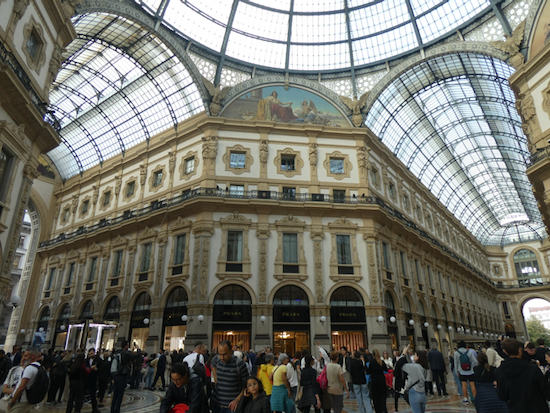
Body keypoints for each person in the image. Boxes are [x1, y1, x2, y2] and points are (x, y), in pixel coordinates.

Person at [496, 338, 550, 413]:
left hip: (516, 409)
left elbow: (502, 396)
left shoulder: (500, 371)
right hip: (537, 408)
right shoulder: (532, 368)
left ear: (505, 352)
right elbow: (546, 390)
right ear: (520, 350)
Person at [211, 340, 249, 413]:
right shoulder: (216, 359)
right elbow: (212, 363)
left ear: (231, 352)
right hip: (216, 405)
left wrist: (237, 400)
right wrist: (215, 376)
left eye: (225, 354)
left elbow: (247, 385)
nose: (222, 357)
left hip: (231, 407)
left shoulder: (239, 364)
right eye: (220, 354)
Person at [6, 347, 42, 413]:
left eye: (26, 356)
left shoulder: (29, 368)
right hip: (29, 399)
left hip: (21, 400)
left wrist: (12, 402)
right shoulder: (39, 367)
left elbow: (21, 387)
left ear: (33, 356)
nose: (23, 358)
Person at [402, 346, 428, 413]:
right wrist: (407, 355)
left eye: (415, 354)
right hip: (423, 393)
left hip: (414, 392)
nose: (413, 356)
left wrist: (403, 354)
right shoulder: (424, 368)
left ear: (418, 357)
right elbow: (411, 364)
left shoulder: (415, 367)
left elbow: (401, 364)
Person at [111, 341, 133, 413]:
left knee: (115, 394)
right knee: (120, 394)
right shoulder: (125, 354)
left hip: (116, 375)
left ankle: (112, 409)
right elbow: (135, 357)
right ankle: (117, 410)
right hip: (122, 376)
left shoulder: (117, 353)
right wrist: (138, 350)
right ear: (126, 346)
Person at [454, 340, 477, 405]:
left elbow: (455, 363)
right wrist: (474, 368)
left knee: (464, 385)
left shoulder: (456, 353)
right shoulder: (469, 352)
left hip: (462, 371)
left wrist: (457, 372)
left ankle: (466, 399)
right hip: (471, 371)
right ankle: (475, 399)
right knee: (472, 385)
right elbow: (475, 361)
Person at [66, 348, 85, 413]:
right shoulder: (81, 365)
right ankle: (77, 410)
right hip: (78, 382)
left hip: (72, 382)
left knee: (71, 397)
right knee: (79, 397)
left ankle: (68, 410)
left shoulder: (73, 364)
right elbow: (85, 372)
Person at [83, 348, 100, 413]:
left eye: (92, 353)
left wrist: (96, 369)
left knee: (93, 394)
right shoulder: (86, 360)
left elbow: (101, 369)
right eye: (90, 353)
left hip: (93, 379)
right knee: (82, 393)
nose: (90, 354)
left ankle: (94, 408)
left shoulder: (98, 360)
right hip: (86, 379)